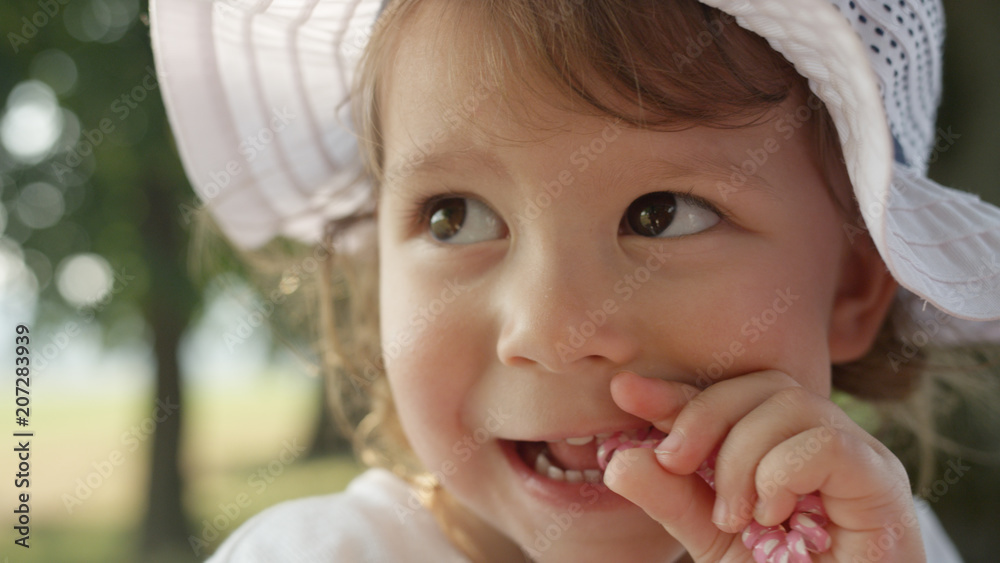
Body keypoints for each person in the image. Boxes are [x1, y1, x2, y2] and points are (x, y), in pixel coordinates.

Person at [151, 0, 1000, 560]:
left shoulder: (881, 542)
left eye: (662, 212)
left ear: (856, 286)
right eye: (456, 215)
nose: (551, 329)